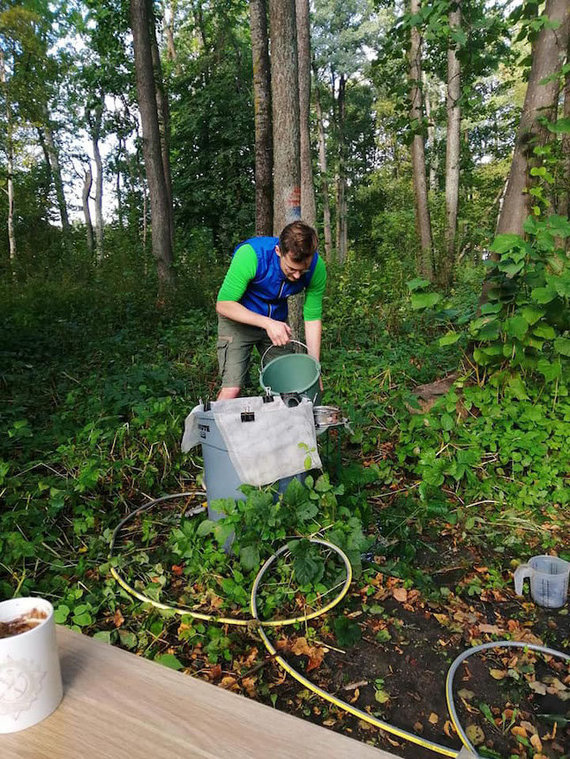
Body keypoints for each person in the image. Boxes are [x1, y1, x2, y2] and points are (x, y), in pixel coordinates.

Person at [215, 220, 326, 400]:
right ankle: (215, 426)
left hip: (276, 322)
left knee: (288, 386)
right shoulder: (251, 255)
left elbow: (312, 317)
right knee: (232, 389)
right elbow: (224, 304)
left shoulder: (316, 268)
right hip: (238, 319)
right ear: (278, 252)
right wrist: (267, 323)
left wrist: (315, 367)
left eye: (302, 271)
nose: (297, 276)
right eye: (291, 269)